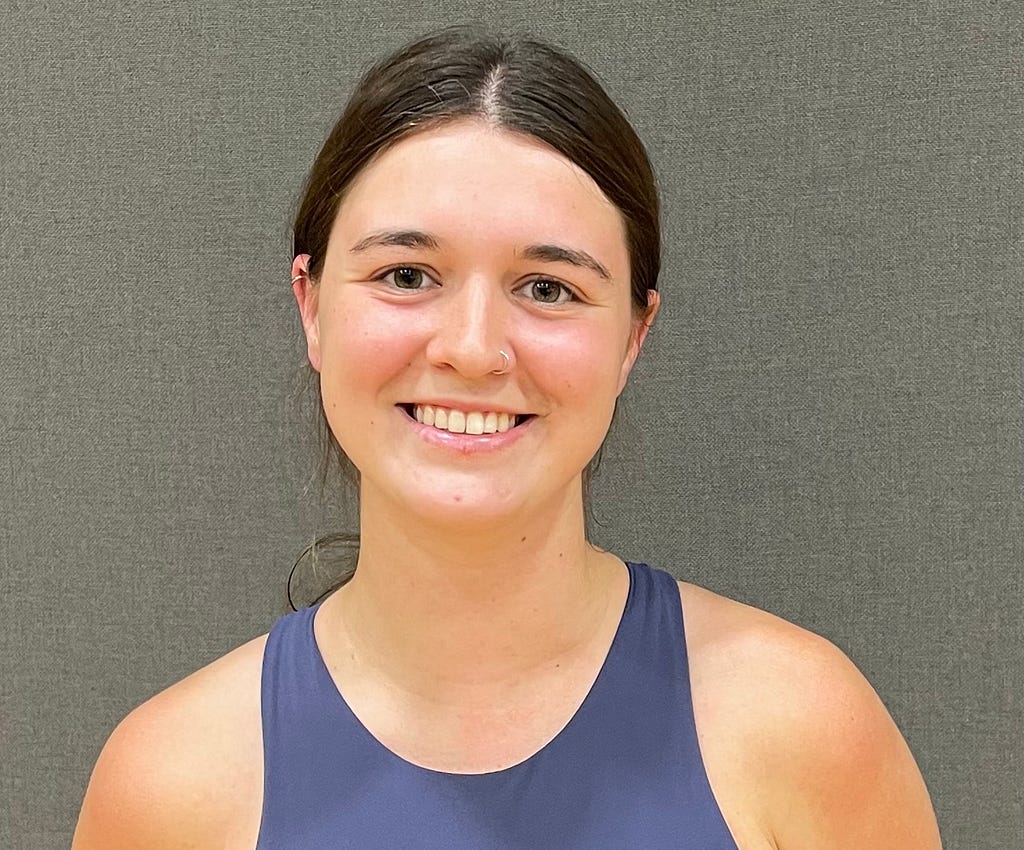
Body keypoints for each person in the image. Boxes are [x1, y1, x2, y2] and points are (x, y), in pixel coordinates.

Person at [72, 26, 942, 849]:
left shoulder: (802, 727)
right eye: (406, 275)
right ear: (311, 307)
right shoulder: (170, 785)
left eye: (549, 287)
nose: (473, 349)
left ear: (634, 337)